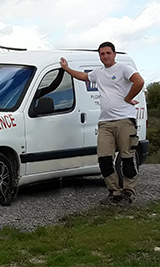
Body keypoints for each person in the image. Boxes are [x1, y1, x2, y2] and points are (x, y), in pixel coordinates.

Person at [60, 42, 144, 207]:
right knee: (104, 159)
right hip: (105, 122)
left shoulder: (123, 68)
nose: (105, 56)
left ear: (114, 54)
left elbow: (139, 82)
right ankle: (114, 192)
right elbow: (84, 77)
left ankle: (129, 192)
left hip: (124, 120)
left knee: (127, 158)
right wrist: (67, 69)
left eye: (108, 53)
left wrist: (127, 98)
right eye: (102, 54)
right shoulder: (98, 73)